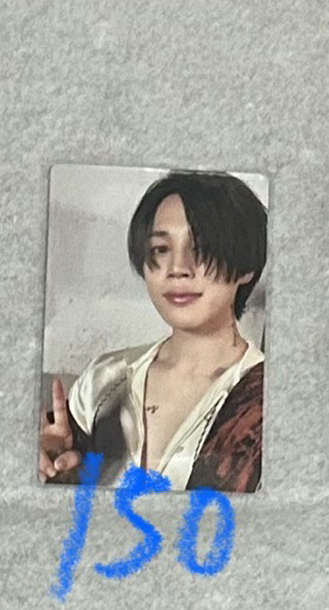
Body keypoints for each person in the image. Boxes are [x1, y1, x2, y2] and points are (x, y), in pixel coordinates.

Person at [40, 170, 267, 491]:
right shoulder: (104, 379)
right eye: (161, 249)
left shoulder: (268, 400)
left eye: (201, 247)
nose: (177, 268)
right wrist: (53, 474)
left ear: (246, 267)